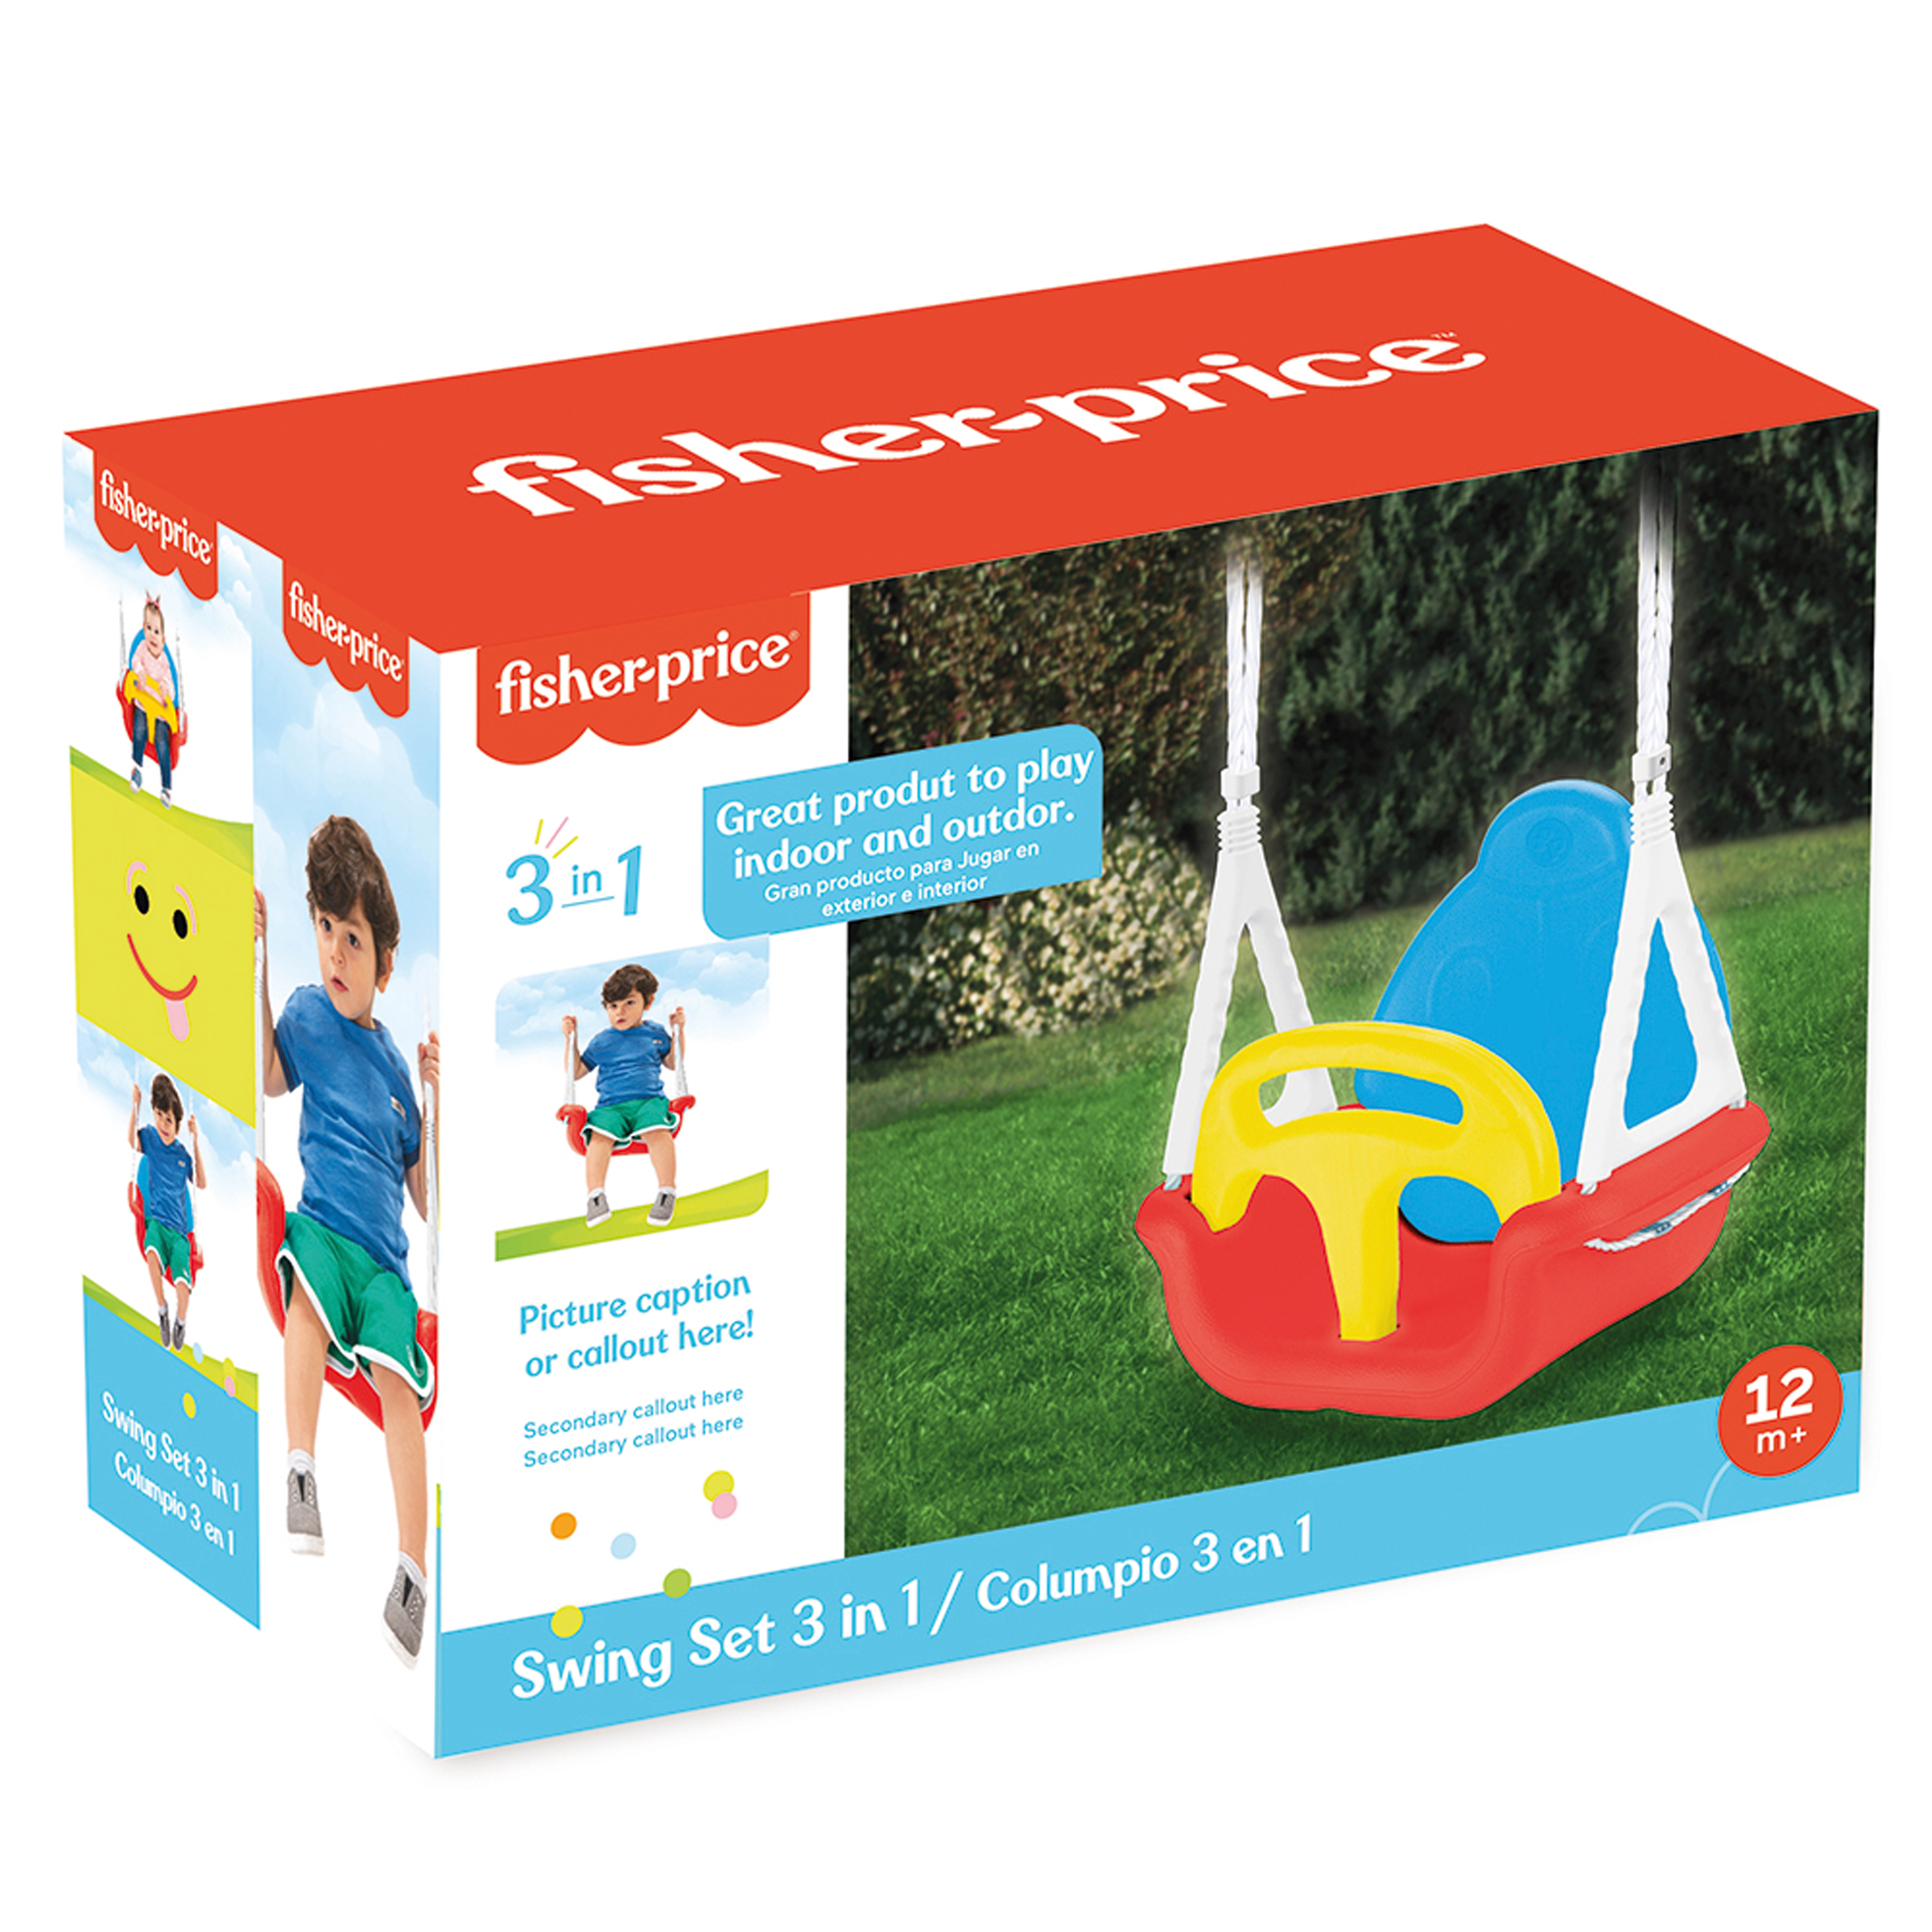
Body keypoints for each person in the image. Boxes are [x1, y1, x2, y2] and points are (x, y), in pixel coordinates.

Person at [256, 815, 439, 1666]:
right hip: (325, 1230)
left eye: (354, 938)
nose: (335, 950)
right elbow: (267, 1076)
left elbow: (427, 1200)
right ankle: (301, 1467)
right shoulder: (303, 1012)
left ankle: (413, 1572)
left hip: (387, 1273)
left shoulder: (398, 1073)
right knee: (304, 1289)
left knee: (401, 1383)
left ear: (385, 965)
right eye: (325, 927)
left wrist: (434, 1105)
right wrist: (258, 964)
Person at [564, 964, 685, 1230]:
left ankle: (667, 1192)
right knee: (599, 1137)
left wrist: (679, 1032)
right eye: (613, 1006)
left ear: (648, 1002)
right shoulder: (602, 1041)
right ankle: (596, 1197)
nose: (620, 1012)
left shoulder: (655, 1034)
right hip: (611, 1107)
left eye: (629, 1003)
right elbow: (576, 1072)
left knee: (658, 1131)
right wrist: (571, 1040)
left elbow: (673, 1063)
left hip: (649, 1101)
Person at [129, 1072, 204, 1350]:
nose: (163, 1123)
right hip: (156, 1224)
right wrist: (135, 1106)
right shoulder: (149, 1137)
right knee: (151, 1254)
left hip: (180, 1234)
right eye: (159, 1115)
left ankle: (180, 1322)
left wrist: (196, 1142)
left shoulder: (183, 1155)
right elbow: (132, 1142)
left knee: (184, 1285)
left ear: (178, 1125)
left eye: (169, 1119)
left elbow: (201, 1183)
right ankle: (162, 1310)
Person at [127, 595, 179, 807]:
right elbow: (135, 661)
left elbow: (171, 687)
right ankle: (137, 769)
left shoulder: (165, 662)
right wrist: (139, 671)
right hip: (142, 703)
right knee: (139, 733)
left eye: (157, 631)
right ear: (144, 629)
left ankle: (166, 787)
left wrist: (165, 688)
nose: (152, 635)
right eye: (148, 629)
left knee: (162, 745)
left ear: (163, 639)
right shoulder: (141, 649)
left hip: (159, 714)